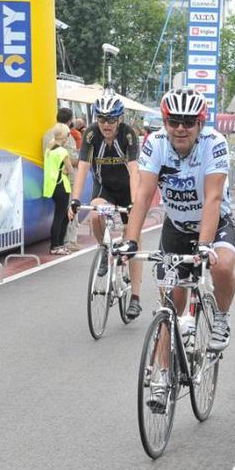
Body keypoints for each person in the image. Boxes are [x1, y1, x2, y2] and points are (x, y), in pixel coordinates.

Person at [122, 86, 235, 353]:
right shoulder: (155, 143)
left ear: (200, 124)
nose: (181, 129)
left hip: (214, 223)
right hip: (176, 226)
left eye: (188, 122)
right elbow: (143, 196)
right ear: (165, 123)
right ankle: (162, 375)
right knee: (170, 308)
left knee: (221, 267)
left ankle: (221, 316)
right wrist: (130, 241)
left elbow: (213, 198)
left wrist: (204, 245)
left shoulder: (214, 143)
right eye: (174, 122)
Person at [68, 91, 143, 319]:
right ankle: (104, 249)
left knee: (133, 236)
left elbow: (134, 171)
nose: (106, 124)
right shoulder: (91, 134)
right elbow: (82, 168)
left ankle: (135, 298)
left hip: (127, 189)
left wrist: (134, 203)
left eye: (111, 120)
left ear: (119, 119)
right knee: (95, 213)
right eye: (101, 119)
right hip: (105, 188)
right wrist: (75, 199)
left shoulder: (128, 135)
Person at [44, 124, 76, 255]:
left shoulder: (49, 150)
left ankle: (58, 245)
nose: (68, 137)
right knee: (61, 217)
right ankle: (56, 245)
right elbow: (70, 169)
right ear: (64, 136)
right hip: (62, 185)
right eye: (68, 135)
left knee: (60, 215)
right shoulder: (62, 151)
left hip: (52, 186)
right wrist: (64, 171)